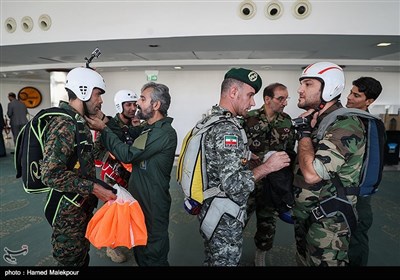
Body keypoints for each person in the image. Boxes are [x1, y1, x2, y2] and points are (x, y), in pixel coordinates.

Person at [195, 68, 291, 266]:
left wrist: (246, 156)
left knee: (213, 258)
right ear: (233, 93)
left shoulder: (212, 119)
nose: (253, 102)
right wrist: (267, 167)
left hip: (210, 206)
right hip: (223, 212)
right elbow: (234, 185)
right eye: (250, 95)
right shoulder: (227, 128)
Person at [86, 82, 177, 266]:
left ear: (156, 105)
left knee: (154, 251)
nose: (138, 102)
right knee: (140, 244)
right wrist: (103, 118)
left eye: (143, 99)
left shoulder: (164, 133)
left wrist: (103, 130)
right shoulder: (148, 128)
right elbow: (122, 131)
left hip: (153, 201)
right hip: (140, 198)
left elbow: (127, 154)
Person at [40, 67, 117, 266]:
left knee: (82, 256)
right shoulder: (64, 124)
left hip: (79, 207)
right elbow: (49, 174)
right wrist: (93, 188)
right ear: (83, 91)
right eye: (98, 94)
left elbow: (83, 161)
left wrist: (103, 127)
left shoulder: (78, 121)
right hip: (68, 211)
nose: (100, 100)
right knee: (70, 262)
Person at [292, 61, 367, 266]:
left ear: (330, 88)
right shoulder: (319, 122)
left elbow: (312, 174)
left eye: (308, 84)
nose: (300, 90)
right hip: (309, 216)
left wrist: (304, 134)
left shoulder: (345, 124)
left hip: (329, 223)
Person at [243, 82, 296, 266]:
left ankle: (261, 255)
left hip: (273, 183)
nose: (285, 103)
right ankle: (231, 253)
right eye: (280, 98)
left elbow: (289, 151)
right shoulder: (248, 118)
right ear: (267, 99)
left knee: (268, 223)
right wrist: (248, 156)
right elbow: (237, 147)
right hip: (249, 180)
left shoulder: (287, 121)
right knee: (238, 219)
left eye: (286, 98)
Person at [98, 89, 141, 263]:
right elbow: (97, 150)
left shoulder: (136, 124)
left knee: (130, 208)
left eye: (134, 104)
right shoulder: (109, 125)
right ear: (119, 106)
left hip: (131, 174)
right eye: (128, 105)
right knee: (114, 212)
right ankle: (111, 247)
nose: (133, 108)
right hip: (114, 175)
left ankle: (127, 238)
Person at [346, 77, 383, 266]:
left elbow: (373, 164)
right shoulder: (345, 118)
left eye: (356, 95)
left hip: (358, 194)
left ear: (369, 101)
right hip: (341, 191)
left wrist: (361, 192)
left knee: (357, 236)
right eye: (351, 92)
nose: (349, 97)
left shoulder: (370, 125)